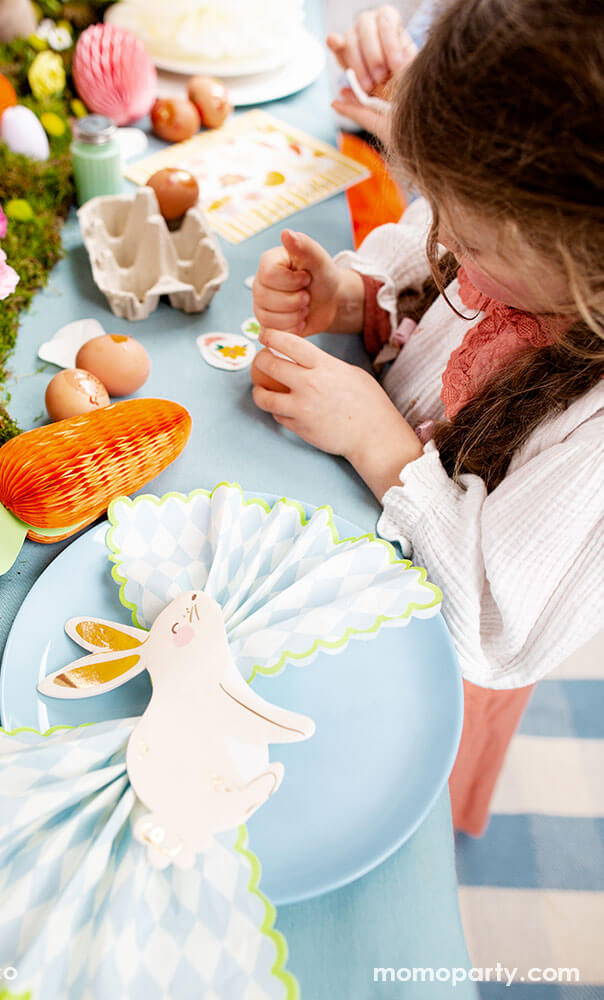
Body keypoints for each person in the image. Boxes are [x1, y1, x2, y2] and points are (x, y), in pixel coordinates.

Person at [251, 0, 604, 702]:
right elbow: (436, 244)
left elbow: (494, 626)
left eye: (468, 243)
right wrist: (356, 298)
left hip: (425, 669)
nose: (447, 246)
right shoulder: (529, 254)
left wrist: (380, 444)